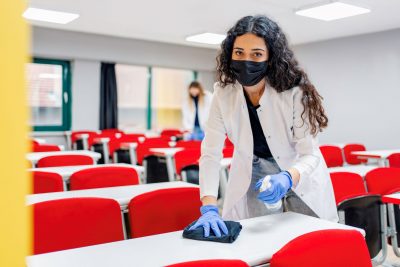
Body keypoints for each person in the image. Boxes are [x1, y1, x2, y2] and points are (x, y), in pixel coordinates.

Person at [189, 15, 338, 238]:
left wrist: (288, 177)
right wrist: (209, 206)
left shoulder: (293, 91)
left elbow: (310, 153)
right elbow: (210, 154)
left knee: (311, 239)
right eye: (239, 52)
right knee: (262, 238)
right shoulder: (223, 94)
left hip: (296, 169)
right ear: (230, 53)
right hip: (254, 171)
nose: (246, 60)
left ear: (270, 58)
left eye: (256, 54)